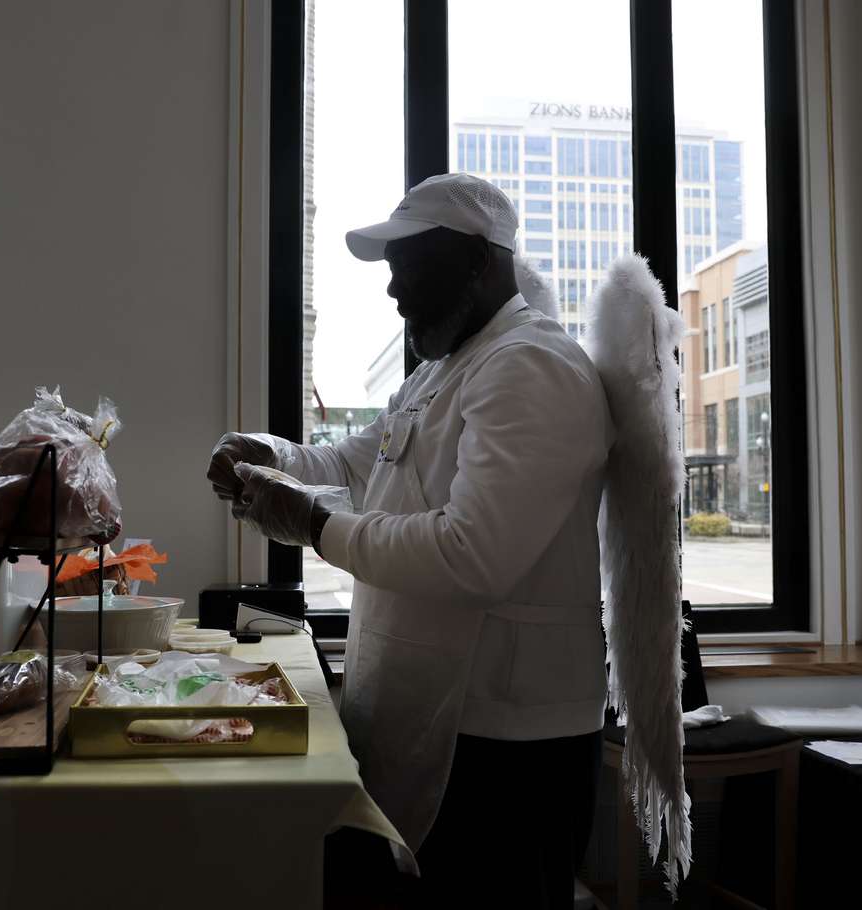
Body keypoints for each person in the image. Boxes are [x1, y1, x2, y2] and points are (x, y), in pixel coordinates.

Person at [208, 174, 613, 908]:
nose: (394, 292)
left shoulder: (531, 365)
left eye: (410, 267)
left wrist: (313, 524)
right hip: (441, 724)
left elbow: (474, 555)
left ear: (483, 263)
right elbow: (355, 465)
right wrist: (269, 455)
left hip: (505, 743)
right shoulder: (440, 371)